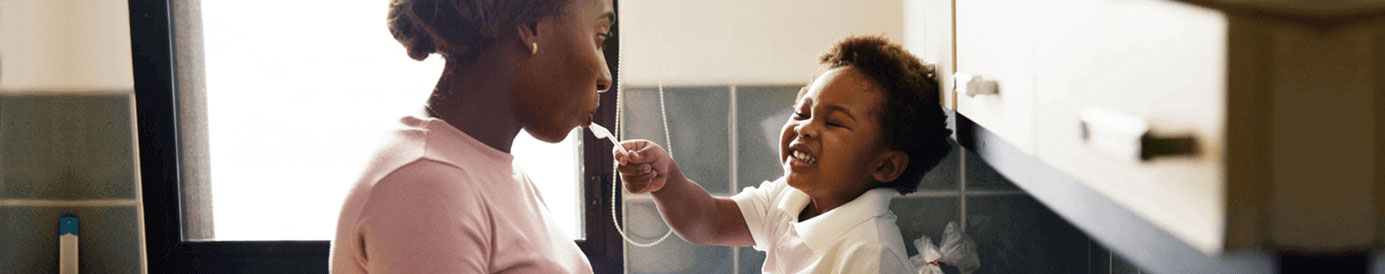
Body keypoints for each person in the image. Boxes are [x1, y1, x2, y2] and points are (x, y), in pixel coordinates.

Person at [614, 36, 950, 273]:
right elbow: (708, 221)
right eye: (802, 113)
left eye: (834, 122)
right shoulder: (791, 199)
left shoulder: (869, 257)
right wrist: (667, 178)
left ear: (886, 164)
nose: (805, 128)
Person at [330, 0, 613, 272]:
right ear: (531, 26)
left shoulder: (485, 166)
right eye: (599, 38)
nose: (605, 77)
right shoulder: (426, 184)